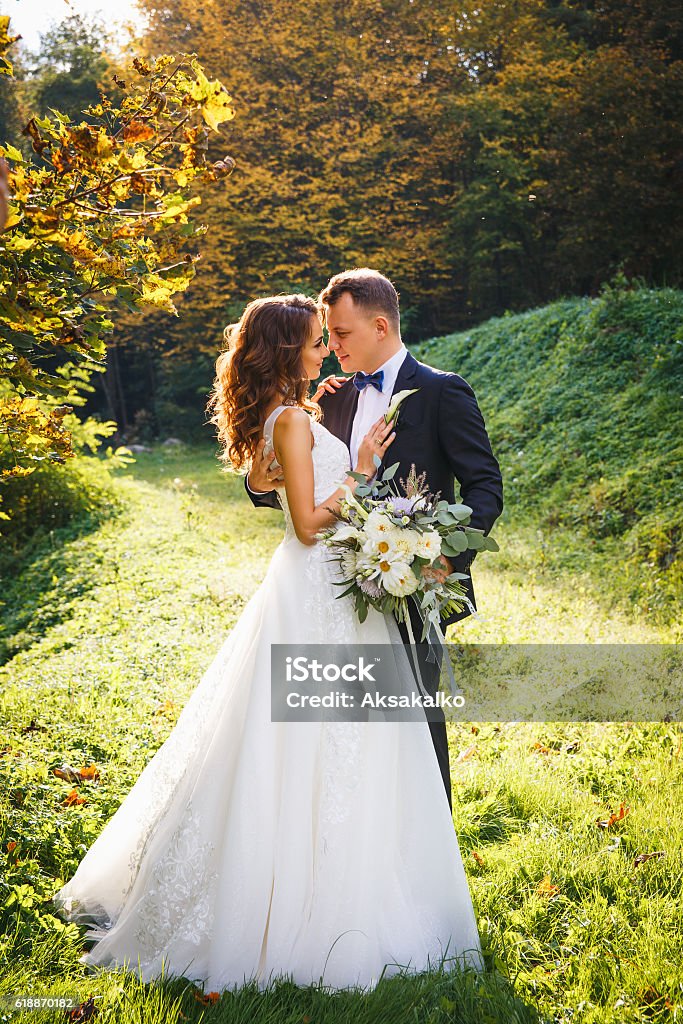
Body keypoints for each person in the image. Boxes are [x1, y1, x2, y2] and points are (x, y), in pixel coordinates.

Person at [52, 293, 485, 994]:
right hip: (316, 584)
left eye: (329, 338)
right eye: (316, 342)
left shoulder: (301, 412)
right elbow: (309, 524)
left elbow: (269, 479)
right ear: (290, 351)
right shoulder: (290, 417)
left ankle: (366, 868)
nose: (324, 352)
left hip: (336, 588)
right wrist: (365, 465)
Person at [246, 269, 504, 810]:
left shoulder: (441, 391)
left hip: (412, 586)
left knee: (416, 719)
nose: (330, 344)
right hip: (334, 586)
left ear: (380, 325)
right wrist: (257, 480)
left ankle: (434, 848)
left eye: (339, 334)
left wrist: (446, 560)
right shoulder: (328, 400)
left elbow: (485, 486)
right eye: (326, 337)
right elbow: (305, 489)